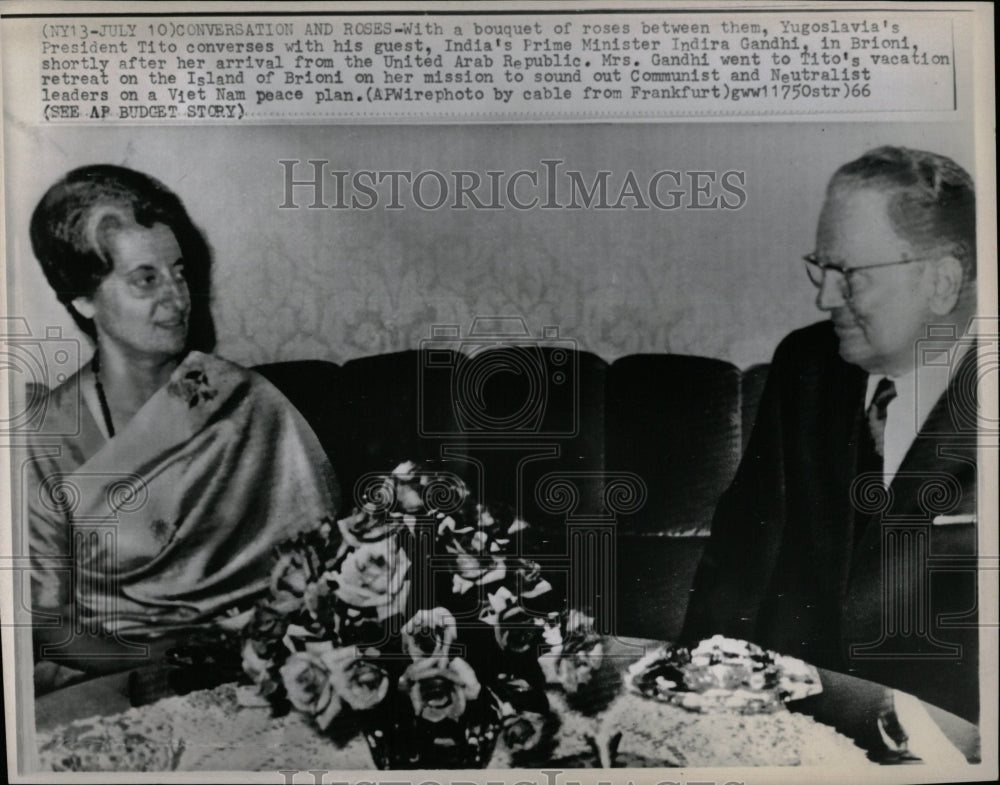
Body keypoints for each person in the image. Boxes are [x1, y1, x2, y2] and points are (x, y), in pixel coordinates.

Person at [682, 147, 980, 727]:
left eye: (851, 276)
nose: (825, 298)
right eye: (822, 268)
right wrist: (701, 717)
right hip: (792, 731)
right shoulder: (807, 364)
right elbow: (741, 564)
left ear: (942, 280)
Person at [24, 165, 340, 691]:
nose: (176, 297)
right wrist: (166, 659)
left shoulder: (245, 401)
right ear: (82, 297)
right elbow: (48, 623)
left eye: (179, 271)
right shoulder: (47, 434)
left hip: (258, 664)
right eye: (146, 278)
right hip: (110, 672)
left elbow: (323, 566)